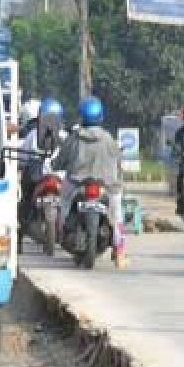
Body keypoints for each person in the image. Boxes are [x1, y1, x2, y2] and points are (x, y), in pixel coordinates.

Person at [52, 96, 127, 269]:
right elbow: (118, 161)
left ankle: (60, 232)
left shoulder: (74, 138)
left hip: (77, 182)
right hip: (106, 185)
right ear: (100, 116)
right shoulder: (108, 139)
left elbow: (61, 160)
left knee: (63, 204)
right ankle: (120, 253)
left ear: (81, 116)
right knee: (117, 215)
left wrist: (57, 165)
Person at [18, 97, 66, 234]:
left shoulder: (32, 134)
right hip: (59, 177)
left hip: (36, 176)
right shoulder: (65, 135)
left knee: (25, 198)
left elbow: (22, 158)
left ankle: (22, 226)